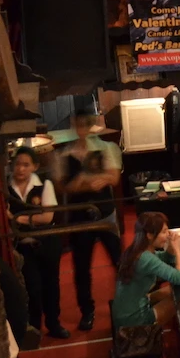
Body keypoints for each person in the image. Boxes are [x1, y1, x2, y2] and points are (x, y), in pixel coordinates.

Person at [58, 108, 122, 332]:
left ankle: (127, 303)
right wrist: (81, 183)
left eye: (86, 123)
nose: (83, 127)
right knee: (81, 266)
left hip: (105, 213)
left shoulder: (107, 148)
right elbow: (62, 185)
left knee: (119, 261)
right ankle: (87, 311)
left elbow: (113, 178)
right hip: (79, 216)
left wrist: (94, 179)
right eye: (79, 123)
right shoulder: (65, 153)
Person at [8, 147, 67, 339]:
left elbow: (47, 217)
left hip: (47, 243)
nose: (21, 169)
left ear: (35, 166)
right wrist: (30, 217)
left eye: (26, 165)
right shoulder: (7, 189)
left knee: (52, 285)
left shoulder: (44, 185)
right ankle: (34, 327)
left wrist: (17, 219)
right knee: (32, 288)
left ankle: (54, 323)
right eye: (17, 164)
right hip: (24, 246)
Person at [112, 212, 180, 328]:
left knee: (170, 290)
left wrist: (171, 246)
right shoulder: (145, 258)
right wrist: (177, 248)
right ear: (149, 235)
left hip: (124, 310)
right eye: (164, 232)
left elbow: (165, 257)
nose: (167, 235)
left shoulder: (137, 250)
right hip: (133, 318)